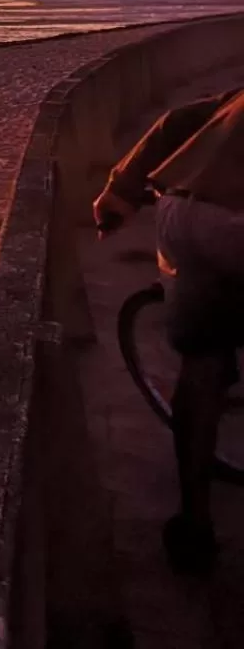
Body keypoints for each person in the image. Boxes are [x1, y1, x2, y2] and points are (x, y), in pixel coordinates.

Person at [94, 86, 244, 574]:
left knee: (204, 362)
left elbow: (177, 120)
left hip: (188, 213)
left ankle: (195, 523)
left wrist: (119, 192)